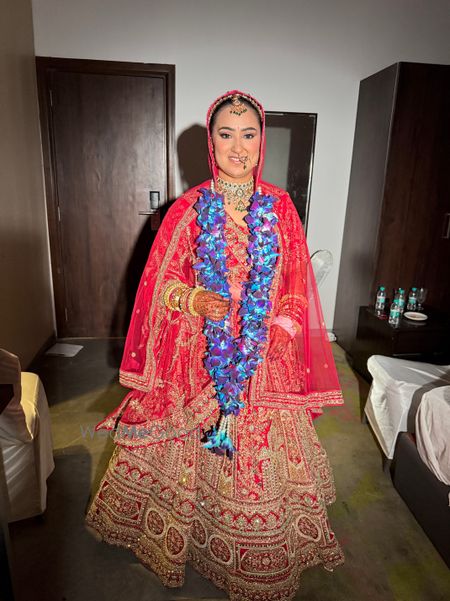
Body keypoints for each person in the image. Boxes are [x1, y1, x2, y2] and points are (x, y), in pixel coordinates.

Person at [86, 90, 345, 600]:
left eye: (249, 134)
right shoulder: (186, 210)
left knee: (258, 463)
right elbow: (158, 285)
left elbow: (297, 280)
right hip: (200, 355)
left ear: (262, 141)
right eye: (227, 134)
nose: (239, 147)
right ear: (211, 142)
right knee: (193, 454)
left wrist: (283, 327)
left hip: (265, 356)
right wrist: (193, 298)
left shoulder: (280, 207)